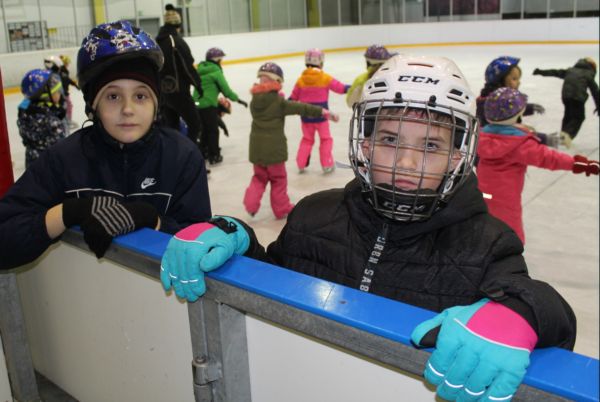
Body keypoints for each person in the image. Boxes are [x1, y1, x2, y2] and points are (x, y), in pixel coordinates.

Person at [160, 55, 576, 402]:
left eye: (431, 145)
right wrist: (237, 239)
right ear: (365, 144)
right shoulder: (313, 214)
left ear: (457, 156)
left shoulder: (489, 243)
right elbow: (277, 284)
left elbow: (543, 311)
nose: (407, 163)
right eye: (391, 140)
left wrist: (522, 313)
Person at [0, 21, 211, 270]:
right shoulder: (64, 159)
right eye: (113, 96)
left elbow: (202, 244)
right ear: (93, 105)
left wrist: (153, 221)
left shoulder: (182, 157)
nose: (128, 109)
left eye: (140, 96)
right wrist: (67, 213)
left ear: (156, 103)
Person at [477, 87, 598, 244]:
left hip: (483, 194)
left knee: (486, 224)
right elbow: (551, 158)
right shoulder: (518, 144)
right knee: (510, 232)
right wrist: (581, 164)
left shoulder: (480, 136)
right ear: (517, 114)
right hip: (506, 199)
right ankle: (509, 252)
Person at [243, 62, 338, 219]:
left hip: (256, 150)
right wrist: (323, 111)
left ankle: (250, 204)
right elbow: (302, 108)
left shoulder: (254, 101)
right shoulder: (279, 102)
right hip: (274, 151)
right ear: (277, 81)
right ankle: (281, 209)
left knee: (259, 177)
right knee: (278, 180)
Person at [289, 48, 349, 173]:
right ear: (321, 62)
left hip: (306, 117)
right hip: (322, 116)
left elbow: (293, 98)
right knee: (325, 139)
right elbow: (340, 88)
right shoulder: (325, 78)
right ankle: (327, 164)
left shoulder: (301, 80)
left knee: (307, 139)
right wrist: (352, 88)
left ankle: (301, 164)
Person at [476, 56, 557, 147]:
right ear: (499, 81)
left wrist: (529, 108)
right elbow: (509, 133)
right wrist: (542, 138)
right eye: (514, 79)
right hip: (498, 149)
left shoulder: (493, 101)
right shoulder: (488, 103)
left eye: (518, 79)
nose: (519, 82)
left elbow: (507, 110)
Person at [155, 3, 204, 148]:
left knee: (172, 128)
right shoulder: (176, 41)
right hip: (179, 91)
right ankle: (189, 156)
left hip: (165, 93)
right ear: (178, 25)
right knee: (195, 124)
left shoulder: (158, 41)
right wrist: (198, 84)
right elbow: (187, 66)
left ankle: (174, 156)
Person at [193, 47, 247, 165]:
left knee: (205, 129)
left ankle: (203, 152)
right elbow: (226, 90)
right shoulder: (216, 72)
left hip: (196, 104)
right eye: (220, 59)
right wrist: (237, 99)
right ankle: (214, 155)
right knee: (213, 131)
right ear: (216, 60)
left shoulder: (200, 70)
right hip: (208, 104)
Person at [533, 57, 599, 148]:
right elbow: (595, 91)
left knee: (568, 115)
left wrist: (541, 72)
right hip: (578, 97)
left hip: (566, 96)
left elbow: (555, 72)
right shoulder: (588, 74)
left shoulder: (570, 70)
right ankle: (567, 135)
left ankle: (563, 135)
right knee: (579, 117)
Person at [17, 69, 67, 168]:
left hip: (33, 165)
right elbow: (62, 151)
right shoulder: (51, 123)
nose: (59, 94)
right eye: (56, 91)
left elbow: (25, 103)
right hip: (50, 170)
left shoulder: (26, 112)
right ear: (44, 94)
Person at [58, 54, 81, 129]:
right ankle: (67, 121)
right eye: (66, 63)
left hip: (62, 92)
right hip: (62, 93)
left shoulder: (63, 71)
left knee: (66, 106)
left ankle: (66, 120)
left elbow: (67, 79)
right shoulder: (62, 71)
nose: (68, 64)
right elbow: (66, 81)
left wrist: (75, 85)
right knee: (68, 106)